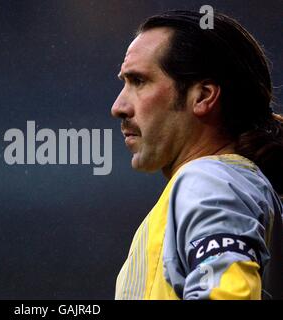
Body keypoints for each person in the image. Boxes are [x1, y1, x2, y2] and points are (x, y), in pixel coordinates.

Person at [111, 10, 283, 300]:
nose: (118, 106)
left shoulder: (209, 182)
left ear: (203, 96)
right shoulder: (236, 185)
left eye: (139, 81)